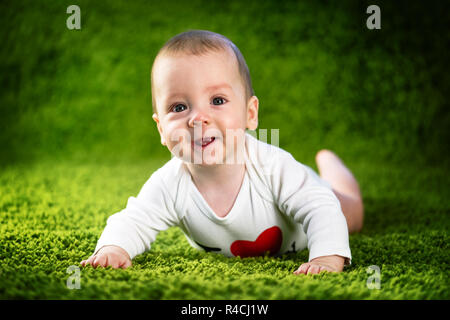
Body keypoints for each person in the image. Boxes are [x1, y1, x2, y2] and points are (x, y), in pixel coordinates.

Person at [80, 30, 364, 275]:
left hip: (315, 192)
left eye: (217, 100)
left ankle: (331, 166)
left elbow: (320, 207)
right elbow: (134, 219)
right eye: (179, 107)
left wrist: (325, 257)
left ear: (250, 114)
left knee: (349, 212)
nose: (198, 119)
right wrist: (113, 248)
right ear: (161, 130)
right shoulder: (170, 184)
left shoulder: (271, 167)